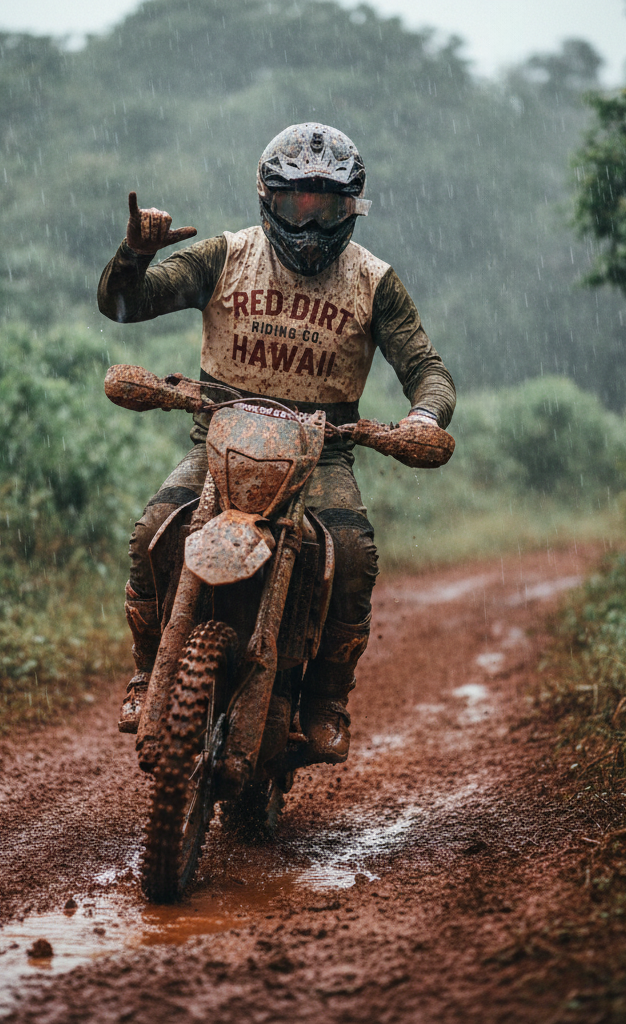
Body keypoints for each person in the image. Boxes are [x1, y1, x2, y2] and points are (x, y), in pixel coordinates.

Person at [98, 122, 455, 764]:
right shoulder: (224, 257)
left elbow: (427, 369)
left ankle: (326, 700)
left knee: (350, 554)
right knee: (154, 530)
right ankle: (147, 673)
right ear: (267, 199)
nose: (311, 226)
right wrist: (133, 255)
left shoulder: (375, 281)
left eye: (329, 208)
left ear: (355, 208)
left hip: (322, 454)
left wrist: (424, 417)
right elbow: (126, 305)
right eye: (296, 205)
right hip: (221, 442)